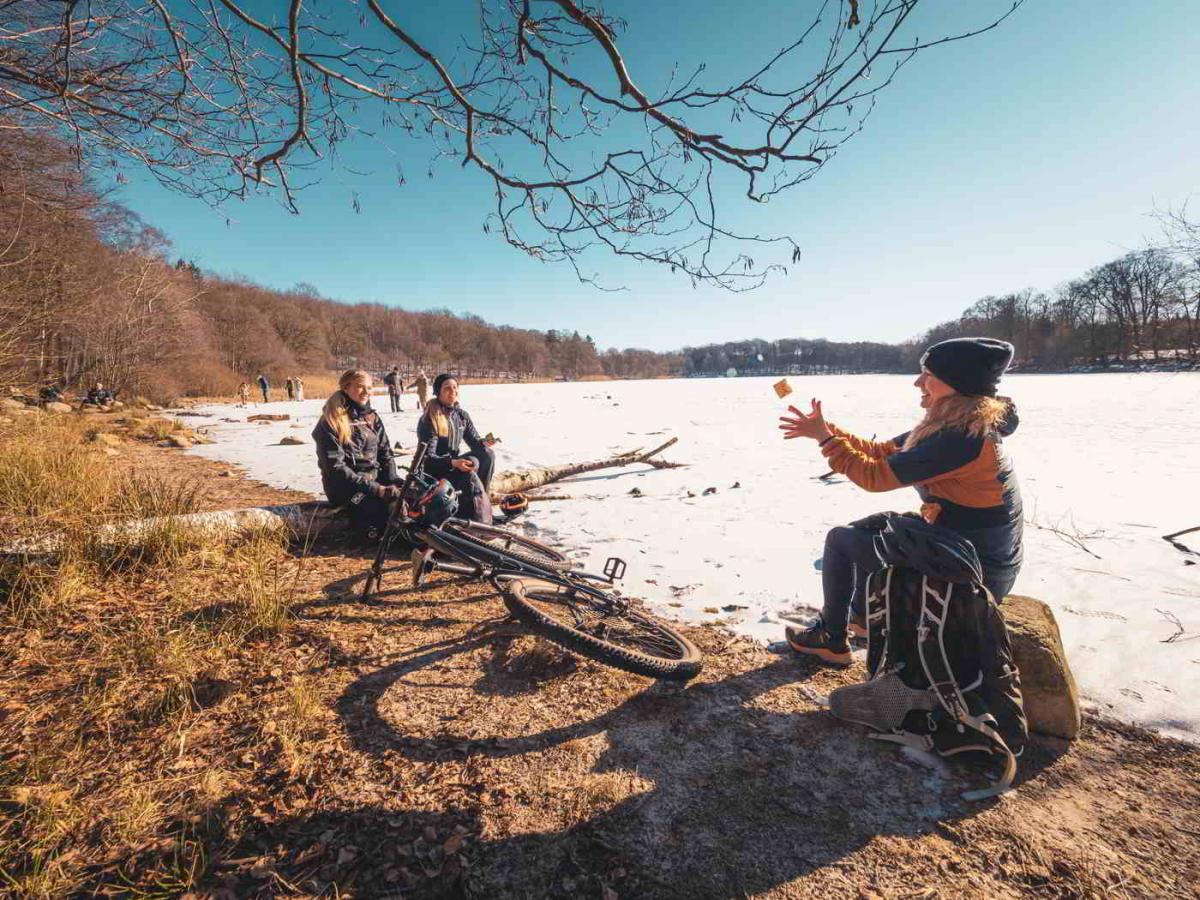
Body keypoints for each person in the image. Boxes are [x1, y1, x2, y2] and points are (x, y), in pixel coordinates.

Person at [778, 337, 1022, 667]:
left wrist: (825, 438)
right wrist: (825, 429)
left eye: (927, 374)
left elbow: (873, 476)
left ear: (955, 382)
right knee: (874, 530)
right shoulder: (956, 423)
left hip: (976, 568)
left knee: (841, 540)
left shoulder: (960, 438)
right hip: (969, 549)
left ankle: (830, 640)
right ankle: (863, 620)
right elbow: (880, 452)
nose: (918, 382)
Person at [311, 369, 399, 538]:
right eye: (360, 387)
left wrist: (393, 481)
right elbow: (336, 469)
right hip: (345, 487)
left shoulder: (371, 418)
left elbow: (385, 454)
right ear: (346, 388)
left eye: (370, 387)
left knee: (412, 501)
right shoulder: (330, 421)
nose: (366, 392)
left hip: (374, 480)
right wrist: (376, 489)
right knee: (385, 512)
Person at [416, 373, 496, 524]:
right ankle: (481, 521)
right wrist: (453, 463)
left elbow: (475, 443)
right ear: (438, 392)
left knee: (486, 455)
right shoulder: (430, 417)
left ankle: (483, 501)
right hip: (436, 471)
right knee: (470, 474)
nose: (452, 391)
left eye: (455, 387)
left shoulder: (461, 415)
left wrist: (485, 443)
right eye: (447, 388)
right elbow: (428, 459)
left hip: (453, 465)